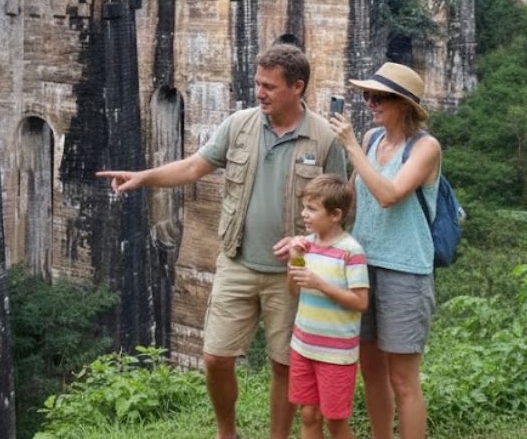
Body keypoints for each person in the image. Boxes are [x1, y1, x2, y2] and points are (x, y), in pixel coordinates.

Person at [97, 44, 345, 439]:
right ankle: (226, 432)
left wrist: (307, 242)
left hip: (293, 272)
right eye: (258, 83)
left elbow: (339, 209)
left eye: (270, 86)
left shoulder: (324, 139)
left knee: (284, 364)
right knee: (215, 356)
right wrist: (144, 176)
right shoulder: (240, 125)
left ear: (297, 87)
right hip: (237, 259)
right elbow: (195, 166)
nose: (260, 92)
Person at [325, 62, 441, 439]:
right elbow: (353, 199)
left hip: (406, 271)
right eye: (367, 95)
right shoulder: (373, 139)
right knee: (371, 370)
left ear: (403, 104)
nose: (371, 103)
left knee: (403, 379)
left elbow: (389, 195)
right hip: (363, 267)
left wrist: (350, 146)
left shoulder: (425, 148)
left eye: (380, 97)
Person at [286, 176, 369, 439]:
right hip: (303, 346)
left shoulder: (350, 252)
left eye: (312, 209)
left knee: (335, 420)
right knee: (308, 414)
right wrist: (296, 261)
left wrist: (321, 284)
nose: (304, 214)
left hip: (335, 353)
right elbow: (294, 289)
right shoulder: (305, 246)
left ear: (335, 215)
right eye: (304, 207)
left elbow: (360, 302)